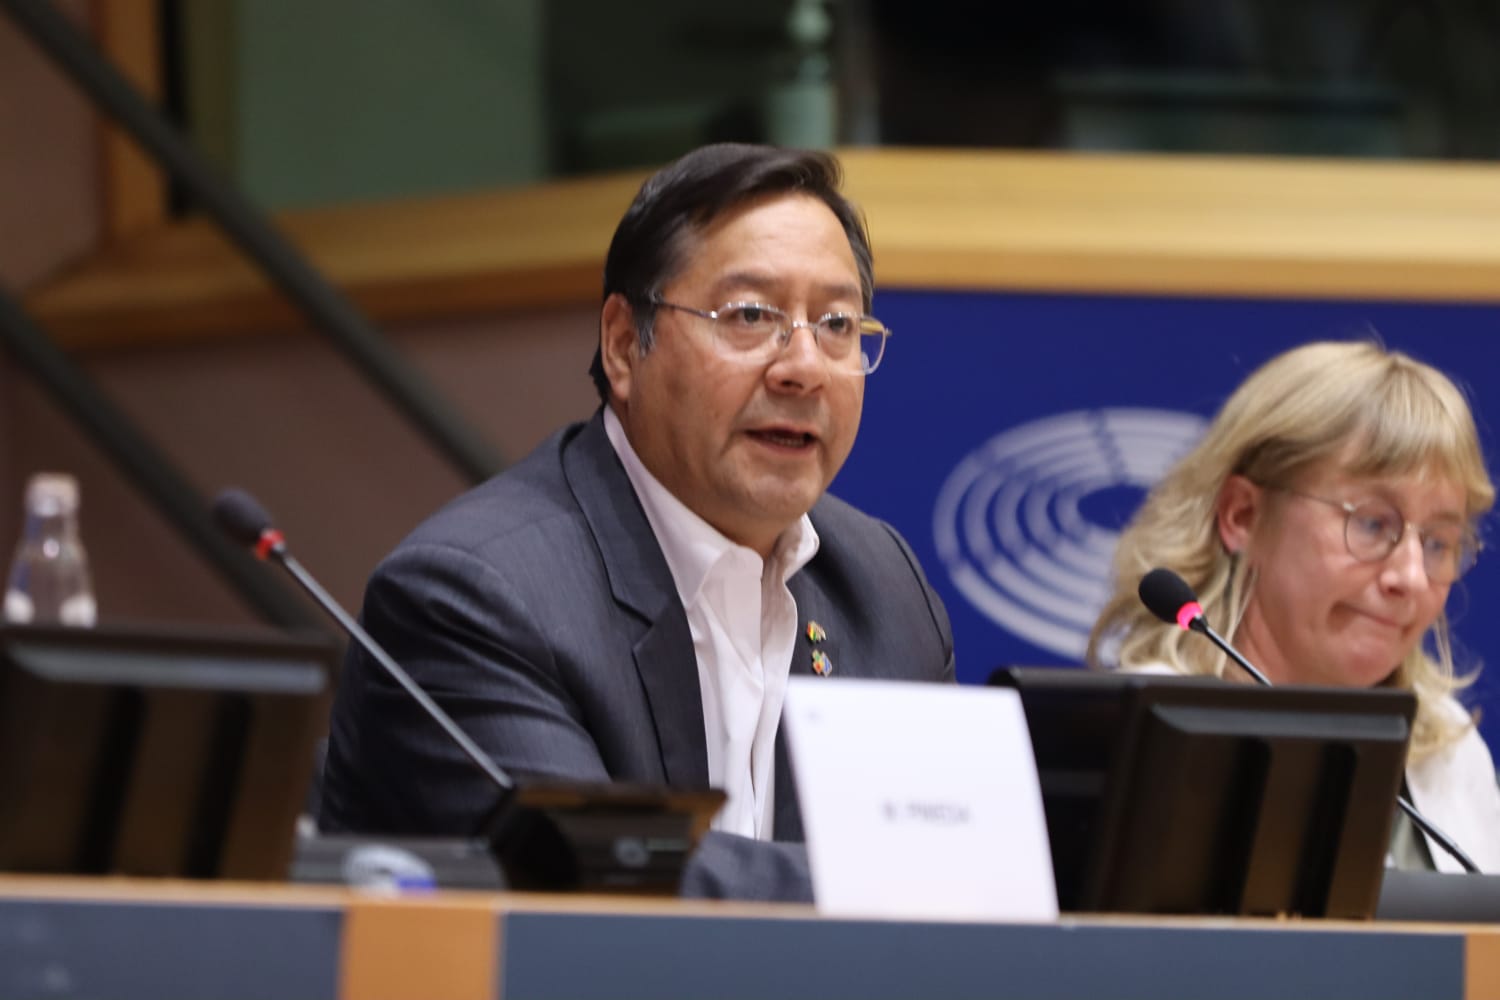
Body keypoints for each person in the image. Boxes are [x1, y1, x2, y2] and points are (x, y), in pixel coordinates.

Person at [318, 143, 956, 899]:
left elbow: (953, 849)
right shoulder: (478, 598)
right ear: (624, 345)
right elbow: (595, 887)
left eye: (838, 324)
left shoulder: (885, 590)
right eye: (751, 316)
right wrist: (925, 888)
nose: (804, 367)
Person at [1088, 339, 1500, 873]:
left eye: (1438, 542)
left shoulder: (1447, 746)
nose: (1411, 577)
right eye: (1372, 524)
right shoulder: (1148, 734)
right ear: (1242, 515)